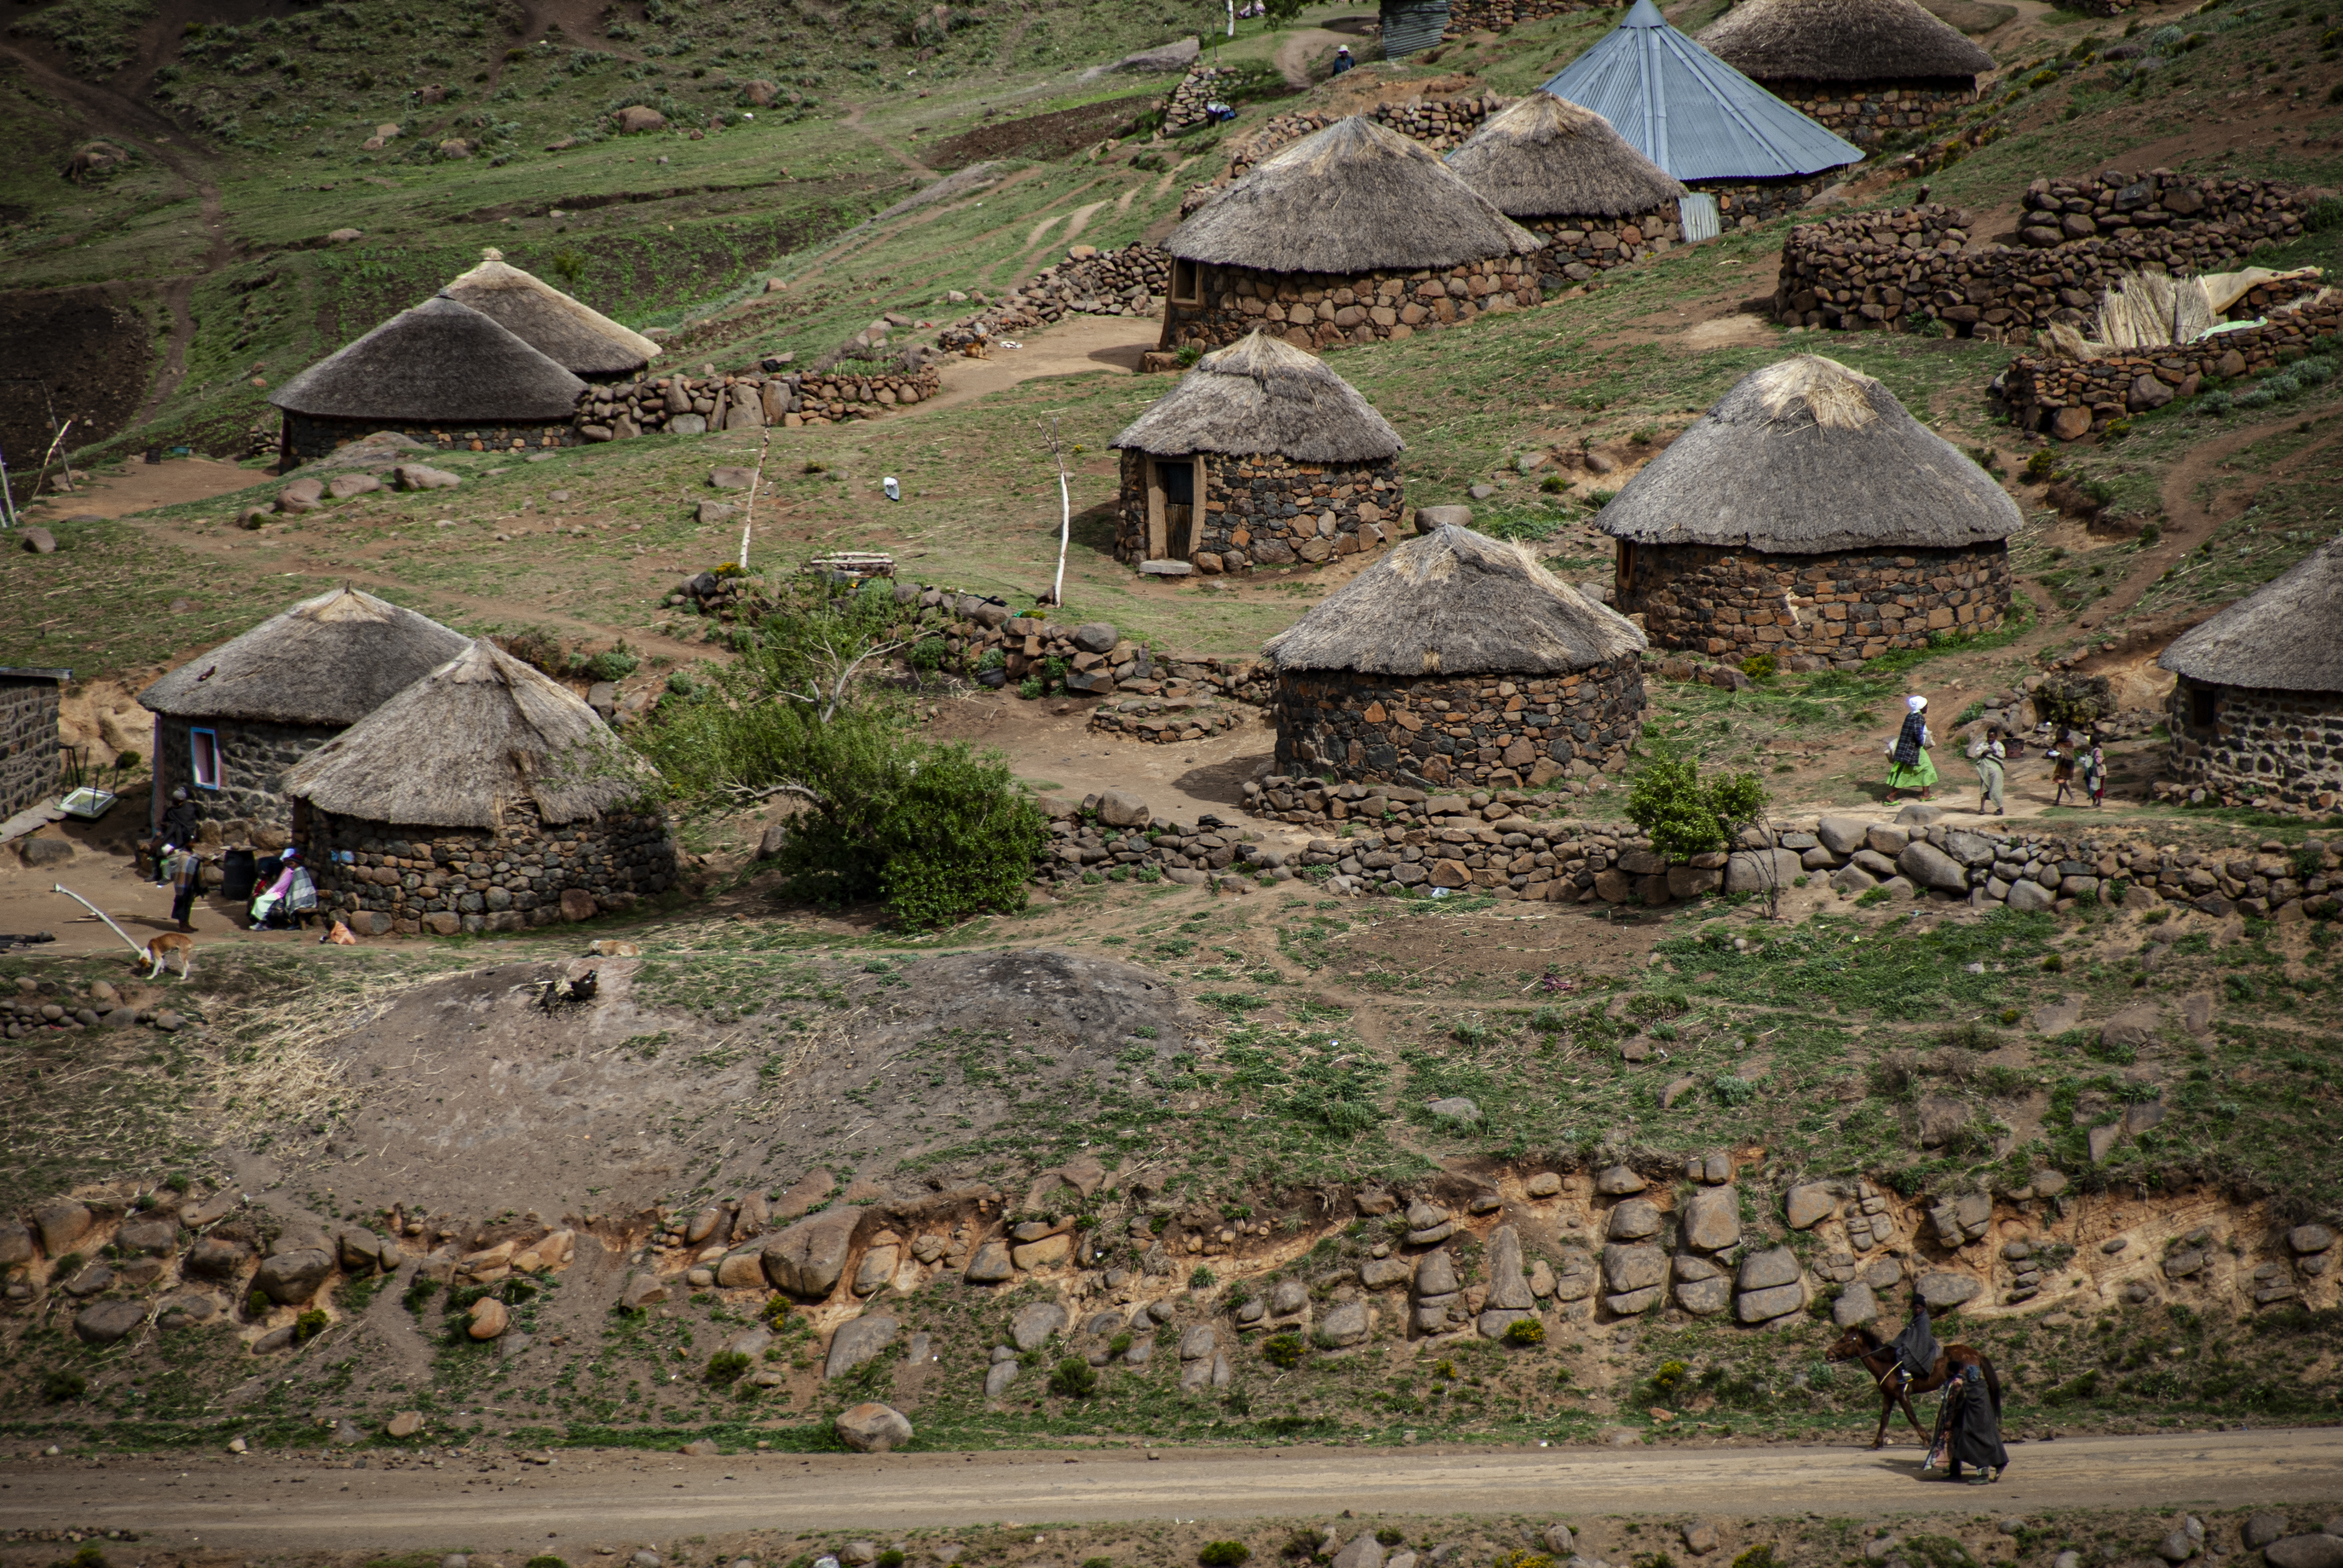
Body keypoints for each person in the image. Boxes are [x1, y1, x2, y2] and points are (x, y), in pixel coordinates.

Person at [1931, 1360, 2007, 1484]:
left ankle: (1983, 1475)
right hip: (1980, 1423)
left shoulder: (1969, 1389)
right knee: (1962, 1442)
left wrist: (1950, 1420)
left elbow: (1958, 1405)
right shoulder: (1982, 1387)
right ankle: (1956, 1471)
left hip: (1974, 1425)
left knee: (1975, 1446)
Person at [249, 848, 316, 930]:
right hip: (290, 895)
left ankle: (267, 923)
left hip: (301, 898)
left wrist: (289, 896)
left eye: (292, 862)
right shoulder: (292, 871)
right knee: (263, 902)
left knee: (272, 905)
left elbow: (299, 888)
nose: (289, 864)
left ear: (297, 863)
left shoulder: (298, 872)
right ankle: (263, 922)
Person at [1886, 695, 1936, 801]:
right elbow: (1917, 733)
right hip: (1913, 749)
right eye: (1925, 706)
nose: (1927, 708)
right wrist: (1922, 741)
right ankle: (1892, 796)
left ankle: (1926, 794)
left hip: (1905, 748)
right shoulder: (1919, 718)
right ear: (1921, 707)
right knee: (1909, 771)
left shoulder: (1910, 716)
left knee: (1926, 768)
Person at [152, 786, 199, 884]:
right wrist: (163, 829)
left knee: (164, 850)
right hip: (170, 834)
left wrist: (172, 827)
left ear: (179, 800)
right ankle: (156, 873)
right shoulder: (172, 811)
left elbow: (188, 828)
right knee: (155, 845)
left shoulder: (188, 810)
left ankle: (166, 876)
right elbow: (166, 821)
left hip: (182, 837)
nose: (173, 801)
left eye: (175, 800)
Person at [1967, 725, 2007, 816]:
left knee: (1996, 788)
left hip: (1996, 772)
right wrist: (1983, 753)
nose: (1990, 739)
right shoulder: (1983, 745)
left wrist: (1994, 751)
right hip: (1985, 769)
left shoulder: (1999, 745)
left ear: (1996, 737)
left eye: (1992, 737)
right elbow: (1977, 753)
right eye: (1989, 737)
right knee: (1984, 787)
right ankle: (1982, 808)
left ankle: (2000, 808)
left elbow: (2002, 755)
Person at [165, 842, 200, 932]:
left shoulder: (190, 855)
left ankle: (186, 923)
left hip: (189, 881)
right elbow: (181, 870)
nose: (194, 844)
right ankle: (182, 926)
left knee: (189, 902)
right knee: (182, 902)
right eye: (191, 842)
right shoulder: (183, 857)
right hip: (183, 883)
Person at [2046, 728, 2077, 808]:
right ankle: (2072, 797)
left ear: (2063, 736)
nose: (2057, 736)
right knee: (2063, 783)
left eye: (2058, 734)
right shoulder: (2058, 743)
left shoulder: (2069, 743)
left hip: (2067, 766)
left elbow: (2068, 755)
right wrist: (2050, 752)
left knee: (2061, 783)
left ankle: (2057, 801)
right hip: (2061, 765)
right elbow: (2053, 751)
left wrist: (2061, 754)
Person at [2079, 734, 2107, 807]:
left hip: (2097, 773)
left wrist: (2091, 760)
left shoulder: (2097, 751)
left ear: (2092, 741)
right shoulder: (2095, 750)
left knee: (2094, 787)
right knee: (2098, 787)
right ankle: (2099, 802)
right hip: (2099, 772)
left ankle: (2095, 802)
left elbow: (2099, 760)